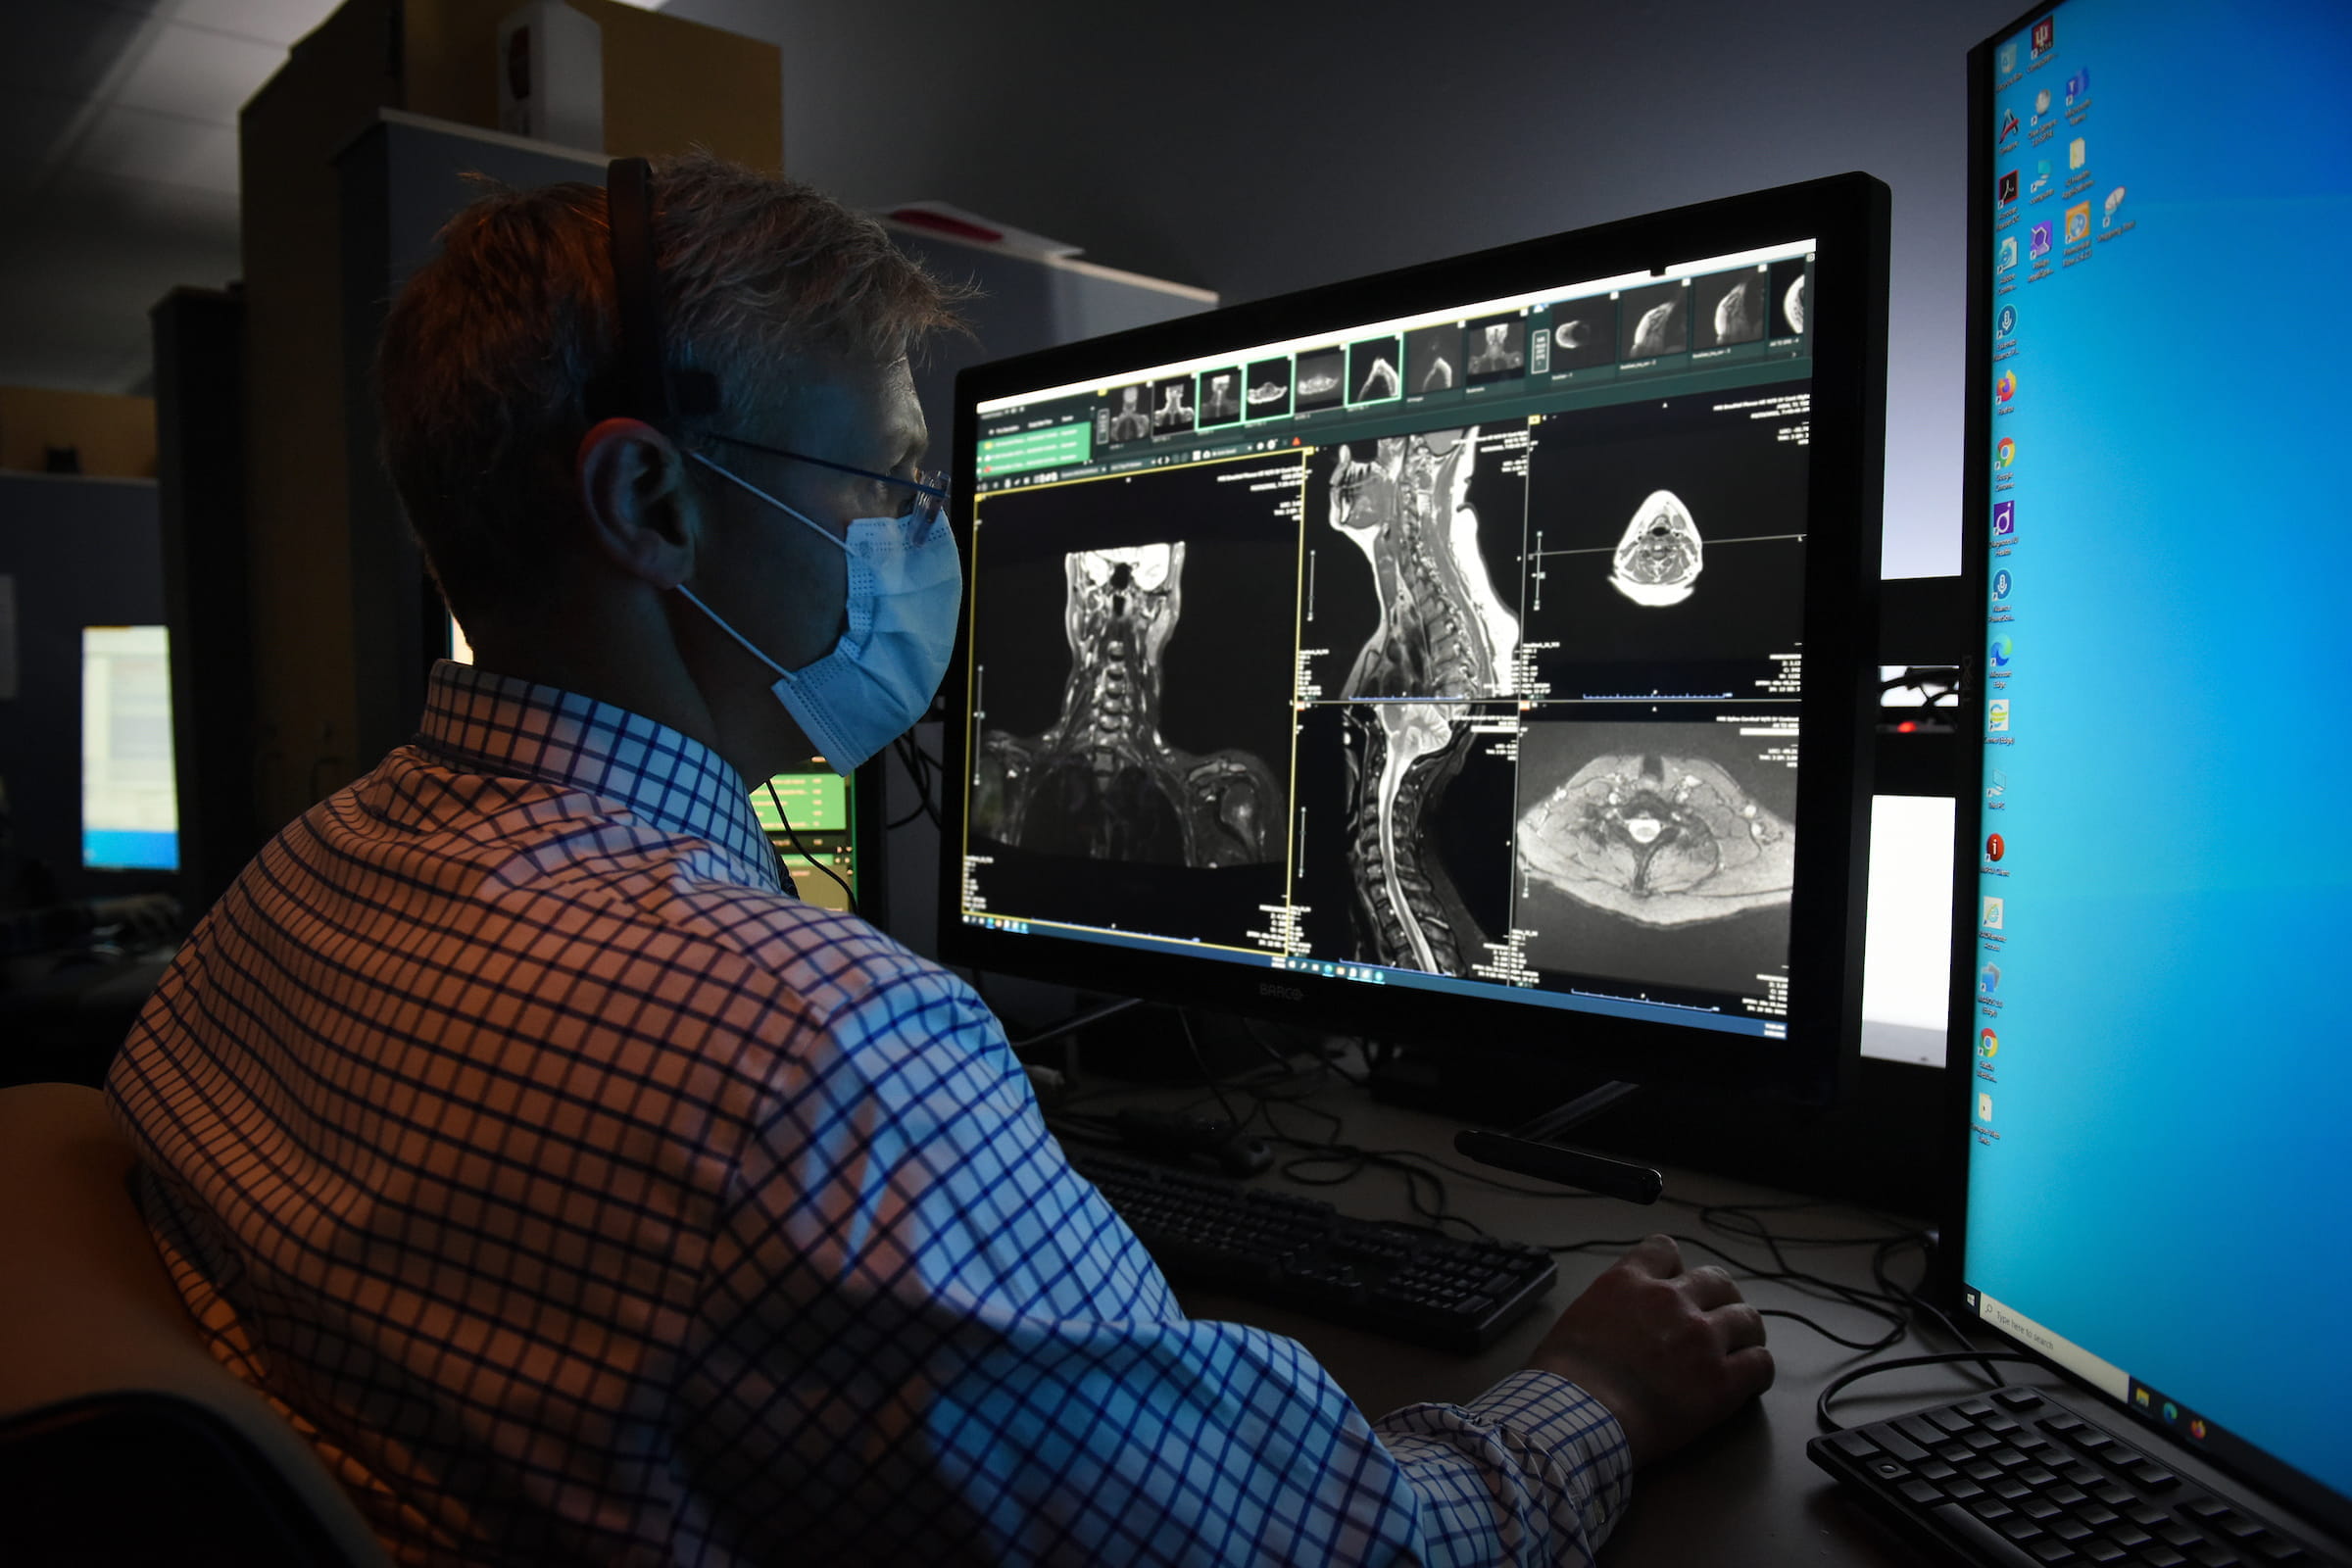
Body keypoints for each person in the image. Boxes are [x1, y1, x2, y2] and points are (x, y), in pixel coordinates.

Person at [106, 153, 1772, 1567]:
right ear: (650, 504)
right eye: (889, 479)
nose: (923, 535)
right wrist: (1605, 1393)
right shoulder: (813, 1050)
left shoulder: (294, 887)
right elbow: (1338, 1546)